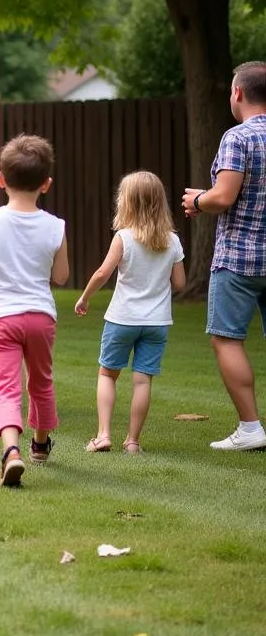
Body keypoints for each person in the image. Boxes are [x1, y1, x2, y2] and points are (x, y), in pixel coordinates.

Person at [0, 134, 69, 487]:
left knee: (5, 388)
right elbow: (61, 276)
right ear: (46, 183)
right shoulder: (56, 226)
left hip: (0, 317)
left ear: (1, 179)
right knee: (41, 380)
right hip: (40, 316)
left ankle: (11, 451)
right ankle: (40, 444)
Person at [181, 60, 266, 451]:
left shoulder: (238, 137)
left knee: (227, 340)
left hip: (239, 259)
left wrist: (199, 199)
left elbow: (224, 196)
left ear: (237, 93)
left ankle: (250, 428)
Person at [75, 171, 186, 454]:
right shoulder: (172, 241)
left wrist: (85, 298)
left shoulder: (123, 237)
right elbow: (180, 284)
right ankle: (133, 441)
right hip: (157, 322)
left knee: (107, 375)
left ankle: (103, 435)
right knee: (142, 379)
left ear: (127, 203)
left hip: (122, 318)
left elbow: (103, 272)